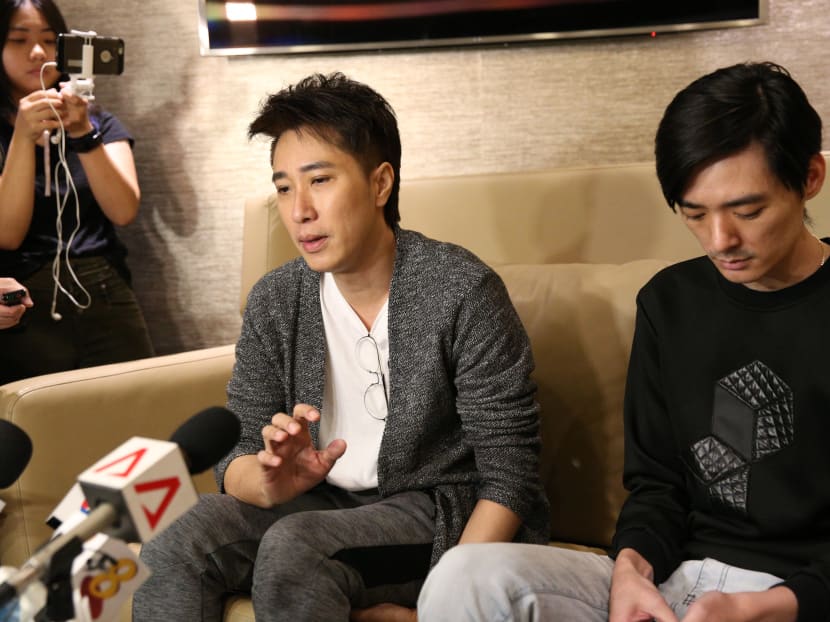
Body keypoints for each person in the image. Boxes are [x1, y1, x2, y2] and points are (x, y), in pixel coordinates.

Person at [417, 61, 830, 622]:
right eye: (694, 214)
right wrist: (632, 572)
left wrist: (766, 607)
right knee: (465, 576)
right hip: (676, 579)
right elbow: (657, 487)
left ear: (810, 178)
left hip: (796, 597)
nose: (720, 240)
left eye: (747, 211)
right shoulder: (670, 303)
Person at [132, 72, 550, 622]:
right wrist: (268, 480)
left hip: (437, 511)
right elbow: (235, 456)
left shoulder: (459, 289)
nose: (299, 210)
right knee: (175, 540)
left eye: (320, 180)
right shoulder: (277, 299)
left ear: (380, 184)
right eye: (283, 187)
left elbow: (511, 472)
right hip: (323, 504)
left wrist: (449, 597)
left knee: (297, 547)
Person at [0, 0, 153, 384]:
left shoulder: (99, 121)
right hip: (22, 297)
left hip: (103, 285)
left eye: (50, 41)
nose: (38, 52)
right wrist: (22, 134)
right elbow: (7, 233)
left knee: (134, 413)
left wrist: (84, 133)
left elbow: (123, 210)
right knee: (43, 431)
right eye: (19, 40)